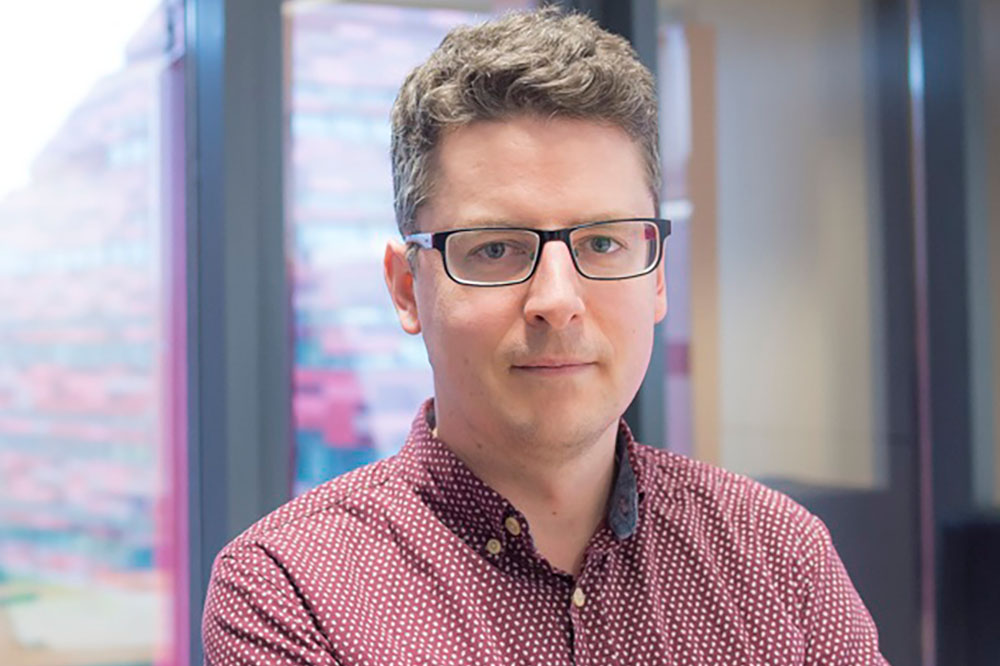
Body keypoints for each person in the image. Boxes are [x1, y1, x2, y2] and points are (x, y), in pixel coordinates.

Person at [202, 7, 889, 665]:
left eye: (603, 243)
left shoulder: (778, 559)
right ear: (408, 287)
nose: (557, 302)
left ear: (657, 278)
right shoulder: (290, 592)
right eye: (496, 249)